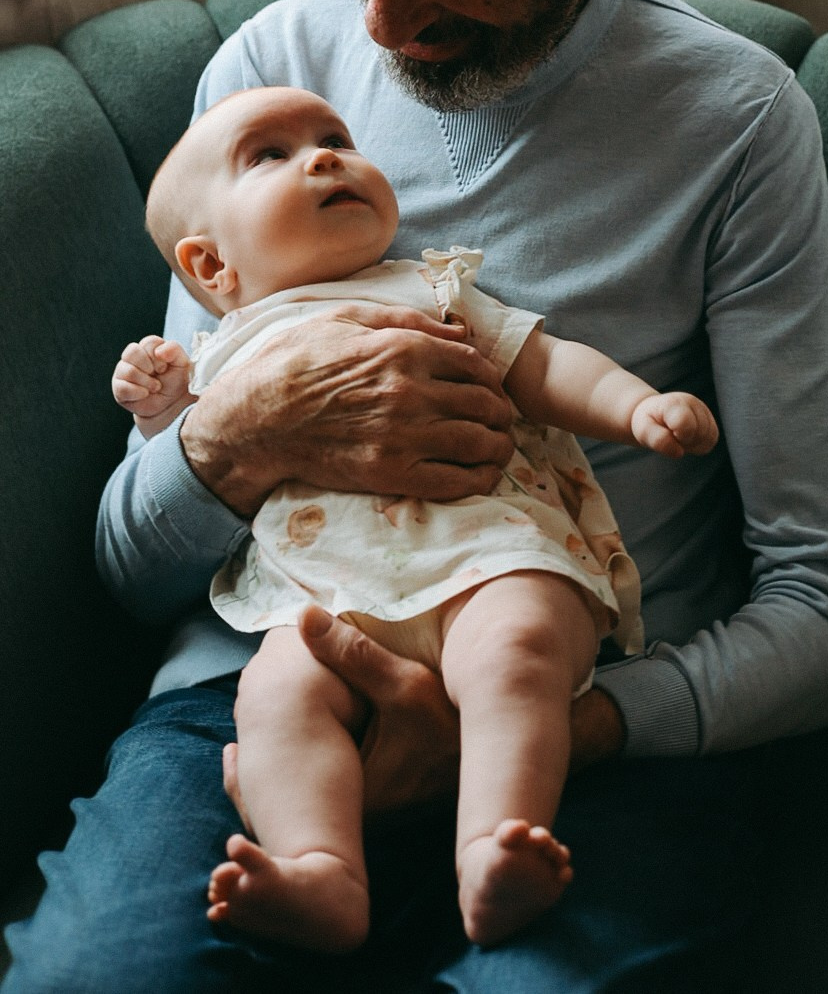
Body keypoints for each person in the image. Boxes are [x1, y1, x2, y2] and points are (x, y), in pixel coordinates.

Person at [3, 0, 828, 994]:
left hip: (577, 729)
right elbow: (134, 570)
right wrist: (236, 439)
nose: (377, 13)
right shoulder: (266, 81)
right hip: (260, 694)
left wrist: (557, 723)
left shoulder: (728, 124)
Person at [111, 82, 717, 951]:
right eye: (271, 156)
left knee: (517, 655)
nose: (325, 156)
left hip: (491, 561)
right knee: (275, 697)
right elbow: (188, 461)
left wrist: (635, 407)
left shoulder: (430, 289)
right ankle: (323, 873)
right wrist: (159, 405)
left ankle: (493, 847)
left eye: (335, 136)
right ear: (211, 269)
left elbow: (545, 365)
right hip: (323, 600)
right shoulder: (225, 354)